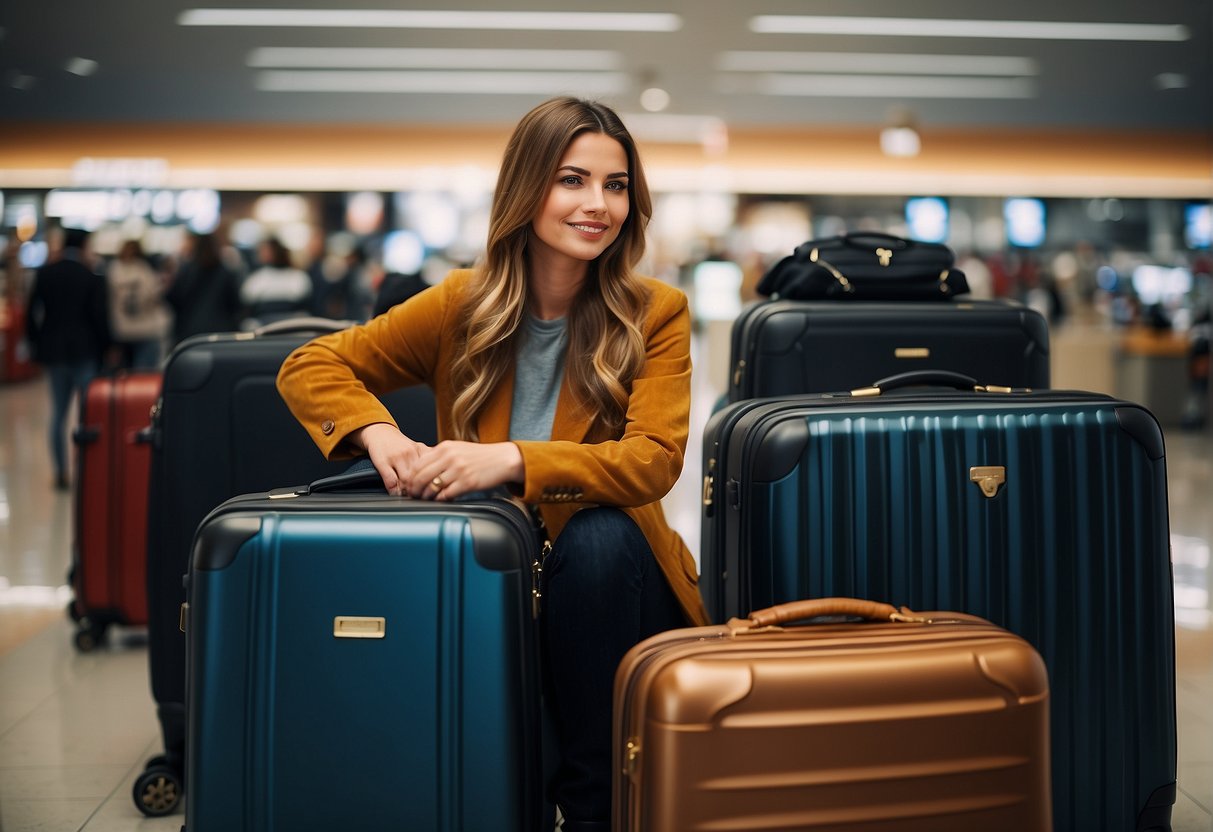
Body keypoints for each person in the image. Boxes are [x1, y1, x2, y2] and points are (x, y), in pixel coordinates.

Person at [277, 96, 709, 831]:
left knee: (598, 538)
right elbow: (310, 363)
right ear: (526, 189)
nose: (596, 204)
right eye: (571, 180)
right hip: (492, 568)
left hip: (612, 585)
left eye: (615, 185)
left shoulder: (652, 312)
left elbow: (652, 461)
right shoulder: (460, 305)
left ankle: (594, 810)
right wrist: (380, 436)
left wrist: (508, 461)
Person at [25, 227, 110, 489]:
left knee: (58, 414)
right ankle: (87, 470)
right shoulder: (91, 275)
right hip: (85, 351)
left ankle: (61, 472)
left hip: (54, 352)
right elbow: (99, 317)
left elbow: (32, 313)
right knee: (88, 414)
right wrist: (106, 348)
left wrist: (37, 344)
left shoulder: (45, 273)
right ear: (84, 245)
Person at [165, 231, 243, 345]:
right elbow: (236, 304)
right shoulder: (226, 272)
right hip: (221, 332)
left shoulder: (186, 270)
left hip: (189, 334)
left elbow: (172, 297)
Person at [106, 238, 171, 369]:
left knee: (122, 379)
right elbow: (155, 297)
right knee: (143, 379)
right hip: (146, 331)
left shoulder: (112, 271)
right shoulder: (145, 271)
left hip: (120, 330)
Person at [240, 235, 312, 327]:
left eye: (266, 250)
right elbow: (247, 305)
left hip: (293, 326)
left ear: (277, 251)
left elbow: (305, 306)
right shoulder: (257, 278)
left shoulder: (298, 277)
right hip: (263, 328)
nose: (262, 253)